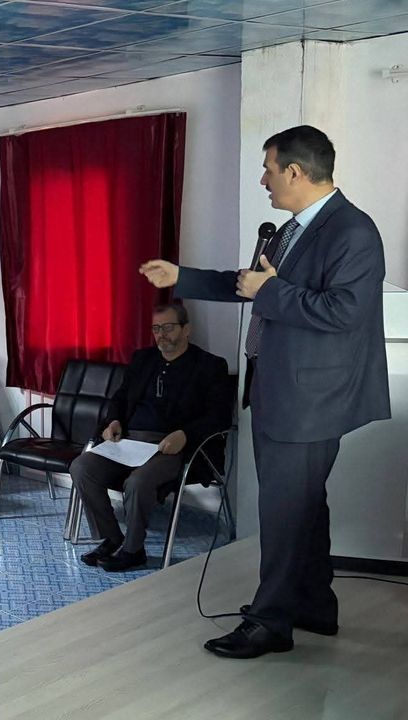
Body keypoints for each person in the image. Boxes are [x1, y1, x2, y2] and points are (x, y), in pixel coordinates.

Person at [140, 125, 389, 659]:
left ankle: (270, 622)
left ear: (294, 172)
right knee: (304, 505)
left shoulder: (353, 231)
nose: (263, 180)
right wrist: (182, 275)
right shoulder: (293, 229)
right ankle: (314, 605)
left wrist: (270, 290)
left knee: (283, 511)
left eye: (268, 169)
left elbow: (344, 312)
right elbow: (250, 283)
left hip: (310, 400)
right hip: (283, 390)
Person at [69, 304, 232, 572]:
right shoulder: (143, 359)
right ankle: (112, 538)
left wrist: (185, 434)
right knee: (81, 467)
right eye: (156, 328)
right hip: (129, 440)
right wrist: (114, 421)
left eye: (168, 327)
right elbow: (120, 398)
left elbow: (219, 416)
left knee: (138, 482)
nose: (161, 334)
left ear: (186, 329)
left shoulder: (209, 366)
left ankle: (133, 550)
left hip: (172, 446)